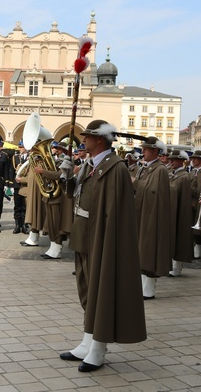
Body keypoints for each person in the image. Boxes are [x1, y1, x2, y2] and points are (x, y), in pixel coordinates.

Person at [60, 119, 146, 371]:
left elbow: (115, 211)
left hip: (102, 237)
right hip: (84, 235)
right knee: (88, 290)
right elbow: (72, 195)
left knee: (101, 292)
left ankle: (98, 347)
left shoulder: (115, 167)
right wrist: (66, 174)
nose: (83, 140)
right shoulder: (89, 165)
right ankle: (88, 340)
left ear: (99, 140)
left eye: (87, 136)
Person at [133, 136, 172, 299]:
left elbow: (154, 193)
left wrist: (135, 182)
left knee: (149, 251)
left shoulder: (160, 170)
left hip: (152, 215)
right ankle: (142, 286)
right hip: (142, 213)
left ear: (155, 151)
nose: (143, 152)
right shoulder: (145, 168)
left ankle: (148, 289)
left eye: (146, 149)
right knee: (141, 250)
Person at [167, 149, 194, 277]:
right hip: (171, 209)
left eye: (173, 160)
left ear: (181, 161)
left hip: (179, 211)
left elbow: (183, 198)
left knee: (178, 237)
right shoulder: (172, 174)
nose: (170, 162)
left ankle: (176, 267)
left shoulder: (184, 177)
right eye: (170, 159)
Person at [11, 141, 29, 234]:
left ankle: (25, 225)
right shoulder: (15, 157)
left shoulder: (30, 158)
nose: (20, 149)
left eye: (21, 147)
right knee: (17, 206)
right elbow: (11, 170)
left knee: (25, 206)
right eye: (19, 147)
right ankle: (17, 225)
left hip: (26, 185)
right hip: (17, 185)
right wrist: (10, 184)